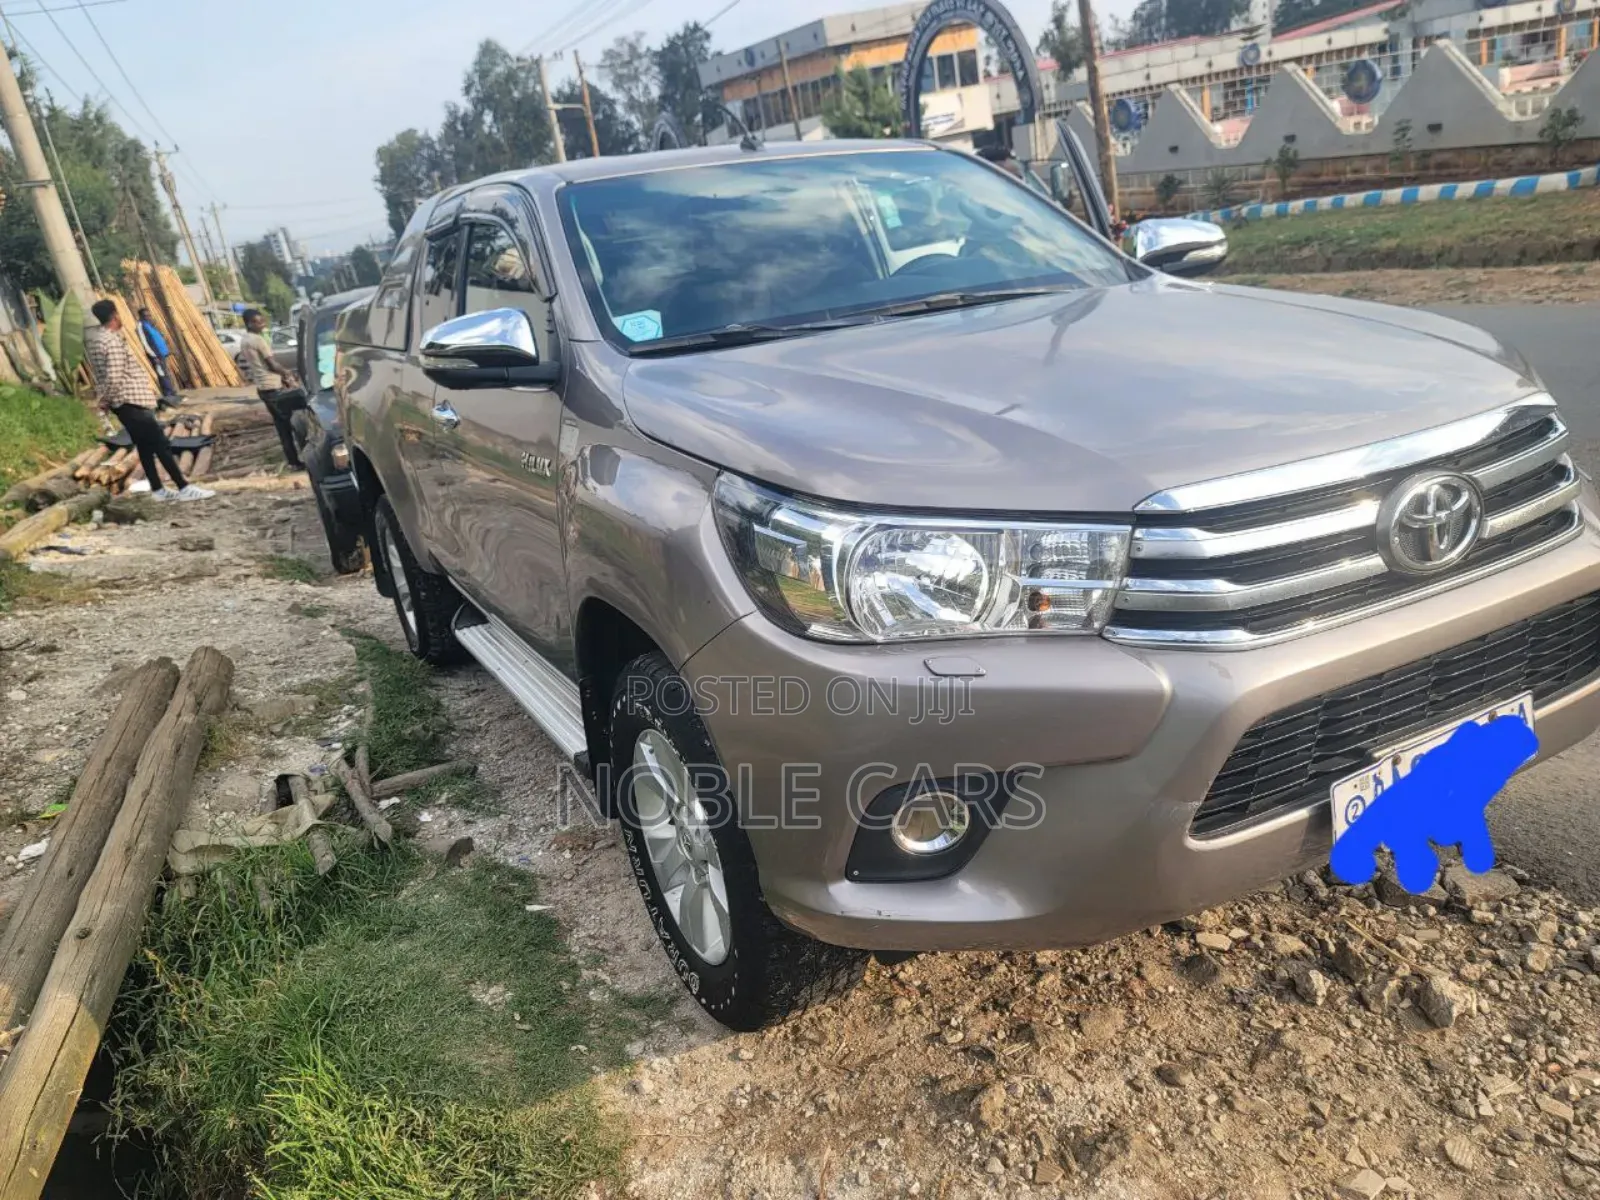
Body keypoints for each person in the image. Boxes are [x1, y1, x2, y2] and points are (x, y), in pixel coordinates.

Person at [85, 300, 213, 502]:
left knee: (144, 446)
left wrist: (106, 400)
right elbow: (114, 375)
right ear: (115, 315)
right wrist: (106, 400)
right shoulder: (111, 341)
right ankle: (183, 487)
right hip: (130, 400)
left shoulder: (96, 340)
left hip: (123, 403)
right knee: (160, 443)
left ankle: (158, 489)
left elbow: (105, 376)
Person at [237, 308, 305, 469]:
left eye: (262, 321)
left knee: (283, 428)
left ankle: (293, 461)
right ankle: (297, 460)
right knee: (297, 420)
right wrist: (288, 373)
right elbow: (272, 364)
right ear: (249, 323)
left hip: (263, 388)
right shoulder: (259, 340)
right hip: (273, 387)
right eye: (258, 322)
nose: (263, 324)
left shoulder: (245, 339)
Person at [136, 307, 178, 400]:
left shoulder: (150, 325)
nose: (148, 317)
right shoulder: (141, 326)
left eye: (149, 315)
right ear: (141, 316)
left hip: (161, 353)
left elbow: (157, 338)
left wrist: (167, 351)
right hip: (155, 355)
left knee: (165, 372)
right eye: (145, 315)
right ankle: (168, 393)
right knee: (161, 373)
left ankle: (171, 391)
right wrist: (153, 355)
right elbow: (145, 343)